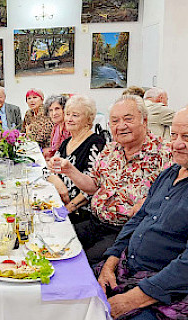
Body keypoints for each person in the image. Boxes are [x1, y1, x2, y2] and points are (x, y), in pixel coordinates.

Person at [49, 95, 172, 265]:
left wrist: (147, 202)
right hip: (95, 222)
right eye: (114, 121)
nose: (121, 126)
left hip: (125, 232)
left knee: (79, 263)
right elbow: (93, 186)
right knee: (53, 242)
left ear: (144, 120)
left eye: (128, 119)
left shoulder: (165, 155)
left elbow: (170, 201)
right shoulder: (111, 149)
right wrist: (70, 170)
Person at [95, 107, 188, 320]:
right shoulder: (170, 173)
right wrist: (111, 260)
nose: (177, 144)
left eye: (187, 137)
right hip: (128, 271)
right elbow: (138, 219)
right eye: (173, 135)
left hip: (165, 291)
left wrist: (133, 299)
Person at [47, 95, 106, 224]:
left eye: (75, 115)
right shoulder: (67, 142)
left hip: (80, 213)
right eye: (67, 114)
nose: (69, 119)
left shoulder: (96, 143)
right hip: (58, 201)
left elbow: (94, 186)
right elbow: (48, 171)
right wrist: (59, 184)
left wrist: (67, 209)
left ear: (88, 119)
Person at [43, 94, 70, 159]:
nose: (54, 113)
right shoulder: (56, 127)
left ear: (64, 109)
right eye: (51, 110)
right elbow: (54, 150)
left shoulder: (69, 128)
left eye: (57, 109)